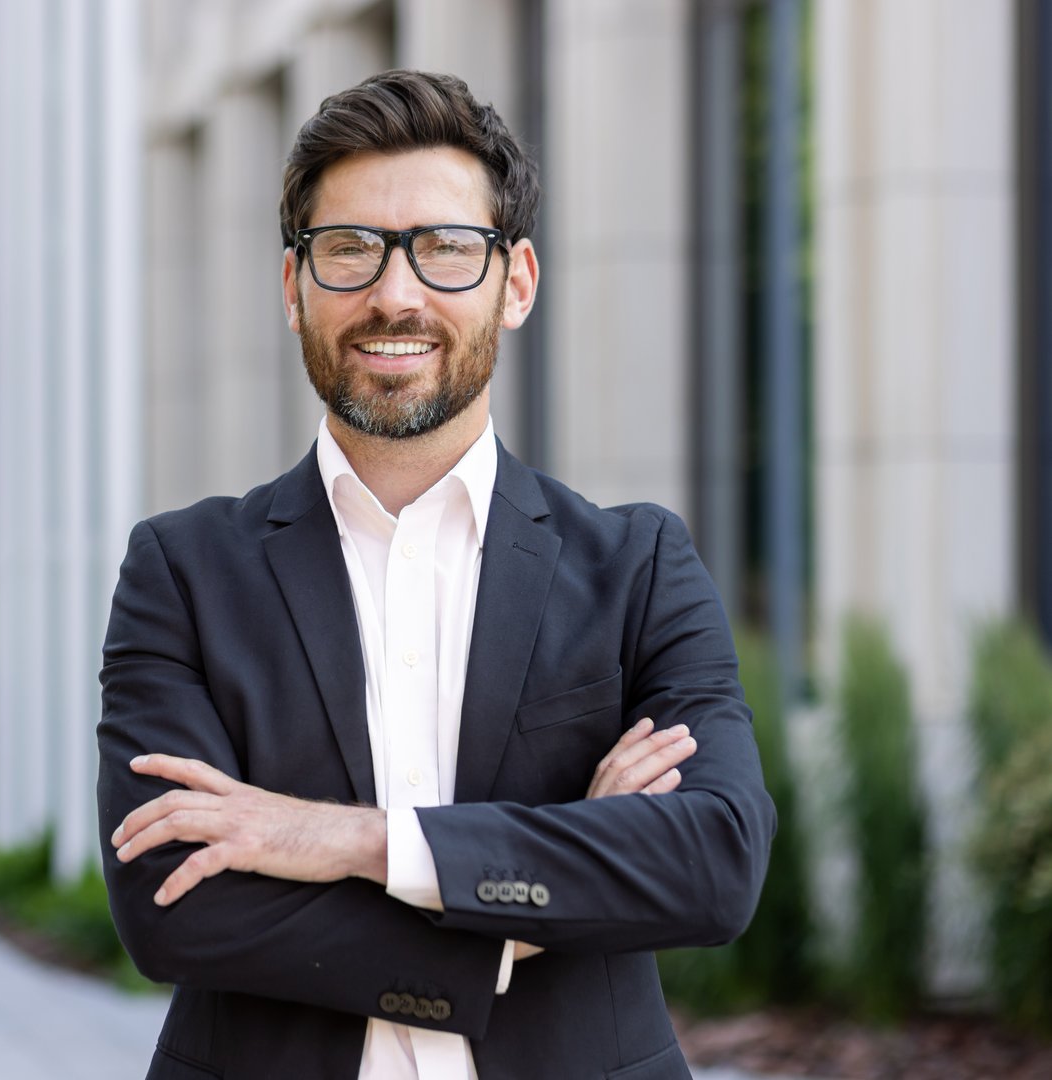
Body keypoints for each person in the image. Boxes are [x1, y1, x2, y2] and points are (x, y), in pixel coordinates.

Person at [98, 70, 774, 1080]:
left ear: (517, 284)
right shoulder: (183, 572)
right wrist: (556, 877)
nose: (394, 294)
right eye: (347, 251)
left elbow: (710, 863)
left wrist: (349, 841)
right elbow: (176, 907)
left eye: (446, 249)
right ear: (293, 288)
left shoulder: (636, 566)